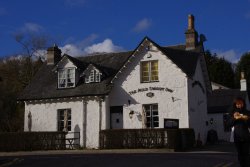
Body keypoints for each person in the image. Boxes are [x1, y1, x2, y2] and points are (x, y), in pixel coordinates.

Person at [228, 97, 250, 167]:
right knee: (240, 154)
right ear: (235, 105)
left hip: (246, 137)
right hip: (237, 137)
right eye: (237, 104)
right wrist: (234, 118)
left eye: (240, 104)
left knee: (246, 154)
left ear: (243, 104)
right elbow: (228, 124)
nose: (239, 105)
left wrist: (245, 119)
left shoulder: (247, 112)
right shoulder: (232, 113)